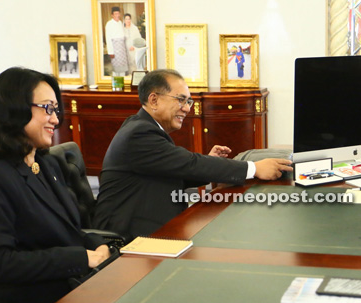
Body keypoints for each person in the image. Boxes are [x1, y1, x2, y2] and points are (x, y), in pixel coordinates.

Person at [0, 67, 113, 303]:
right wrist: (80, 258)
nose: (55, 119)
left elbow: (67, 231)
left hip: (69, 296)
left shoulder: (45, 164)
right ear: (14, 110)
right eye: (47, 108)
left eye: (56, 109)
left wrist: (98, 244)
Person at [93, 69, 293, 240]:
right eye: (181, 100)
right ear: (153, 99)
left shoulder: (144, 127)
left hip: (149, 220)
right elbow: (189, 163)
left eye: (189, 101)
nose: (187, 108)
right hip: (128, 236)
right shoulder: (140, 133)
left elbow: (173, 171)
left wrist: (211, 163)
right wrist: (254, 168)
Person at [104, 6, 129, 75]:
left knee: (123, 69)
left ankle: (123, 82)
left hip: (122, 48)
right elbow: (108, 39)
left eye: (118, 14)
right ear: (112, 15)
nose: (117, 15)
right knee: (116, 69)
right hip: (115, 48)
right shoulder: (109, 24)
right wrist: (111, 52)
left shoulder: (120, 22)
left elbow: (123, 34)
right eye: (115, 14)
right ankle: (116, 85)